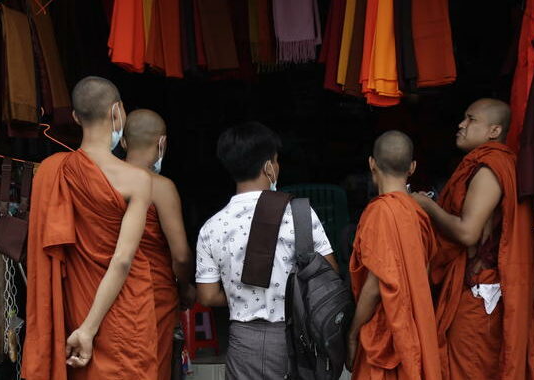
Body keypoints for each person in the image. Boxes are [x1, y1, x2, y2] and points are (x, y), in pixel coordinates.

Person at [23, 76, 159, 379]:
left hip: (75, 308)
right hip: (123, 313)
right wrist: (89, 330)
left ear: (74, 117)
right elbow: (122, 260)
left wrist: (82, 326)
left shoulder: (51, 171)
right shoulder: (137, 180)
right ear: (117, 112)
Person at [411, 99, 534, 380]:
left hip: (478, 294)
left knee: (469, 368)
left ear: (494, 131)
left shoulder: (489, 169)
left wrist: (426, 206)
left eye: (471, 119)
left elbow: (468, 232)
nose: (461, 125)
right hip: (480, 288)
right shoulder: (494, 164)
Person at [195, 122, 339, 380]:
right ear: (268, 167)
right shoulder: (299, 215)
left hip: (243, 341)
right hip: (297, 339)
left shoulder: (211, 227)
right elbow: (329, 276)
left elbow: (207, 296)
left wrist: (241, 293)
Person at [346, 131, 441, 380]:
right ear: (412, 167)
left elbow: (376, 284)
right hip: (415, 323)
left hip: (385, 329)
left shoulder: (380, 212)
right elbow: (424, 271)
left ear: (371, 163)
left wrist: (353, 332)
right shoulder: (418, 211)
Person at [121, 109, 196, 380]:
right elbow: (181, 256)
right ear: (162, 143)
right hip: (154, 293)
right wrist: (184, 287)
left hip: (107, 290)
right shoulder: (161, 187)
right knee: (155, 367)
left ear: (123, 142)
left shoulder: (103, 182)